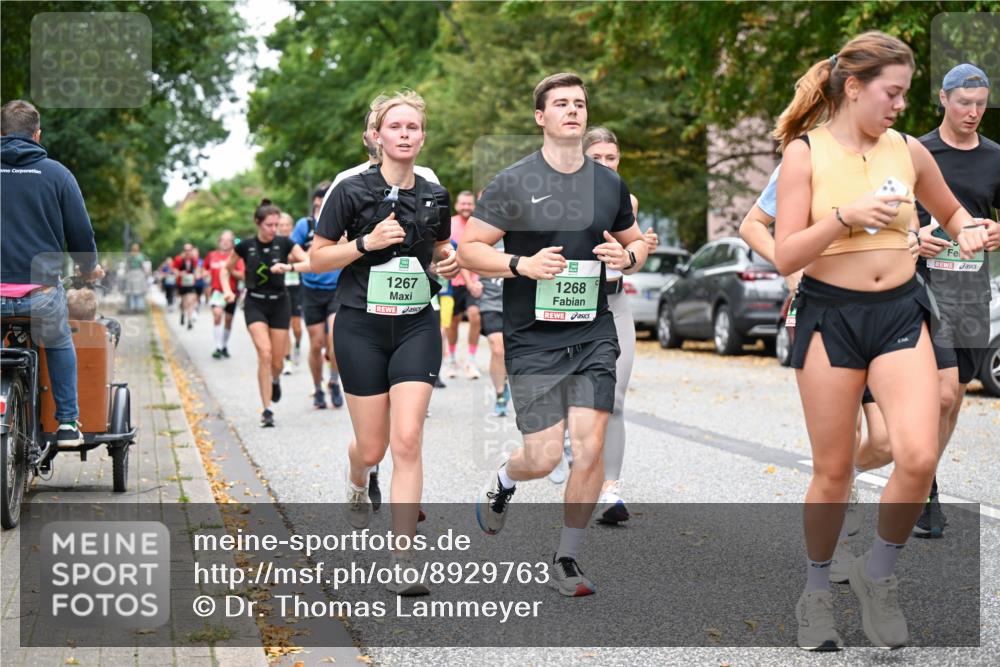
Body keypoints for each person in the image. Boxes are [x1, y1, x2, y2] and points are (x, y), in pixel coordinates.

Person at [772, 32, 988, 651]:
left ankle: (878, 576)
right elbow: (786, 251)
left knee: (917, 456)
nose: (898, 105)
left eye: (904, 95)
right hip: (830, 316)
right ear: (854, 86)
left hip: (899, 312)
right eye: (890, 93)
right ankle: (815, 596)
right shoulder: (804, 154)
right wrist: (844, 216)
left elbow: (951, 213)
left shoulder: (908, 151)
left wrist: (972, 232)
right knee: (834, 471)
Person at [458, 73, 647, 597]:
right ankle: (505, 480)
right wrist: (522, 263)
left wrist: (627, 256)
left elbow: (635, 246)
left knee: (589, 448)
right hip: (532, 337)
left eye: (580, 103)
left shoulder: (609, 185)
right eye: (561, 103)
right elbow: (473, 249)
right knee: (542, 457)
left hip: (592, 332)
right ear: (540, 117)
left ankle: (567, 557)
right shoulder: (512, 181)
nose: (573, 110)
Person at [309, 91, 459, 595]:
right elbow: (317, 258)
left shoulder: (436, 191)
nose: (404, 134)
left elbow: (439, 247)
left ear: (422, 135)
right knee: (373, 448)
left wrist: (448, 260)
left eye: (413, 127)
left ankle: (403, 560)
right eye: (395, 126)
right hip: (360, 326)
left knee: (408, 439)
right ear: (376, 135)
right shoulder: (349, 189)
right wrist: (364, 244)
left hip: (417, 322)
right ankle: (357, 476)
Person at [906, 64, 1000, 537]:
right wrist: (913, 235)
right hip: (923, 286)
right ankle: (926, 490)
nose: (973, 112)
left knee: (954, 399)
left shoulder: (995, 158)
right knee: (939, 392)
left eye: (981, 104)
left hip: (971, 290)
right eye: (964, 102)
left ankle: (924, 481)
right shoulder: (917, 151)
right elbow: (892, 216)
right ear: (943, 99)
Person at [0, 99, 103, 446]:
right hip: (40, 295)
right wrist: (88, 268)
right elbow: (81, 233)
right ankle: (68, 423)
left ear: (1, 133)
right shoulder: (58, 174)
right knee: (59, 342)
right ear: (37, 134)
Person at [582, 126, 659, 525]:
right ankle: (572, 451)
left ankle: (610, 489)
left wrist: (637, 249)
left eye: (611, 158)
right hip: (569, 307)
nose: (605, 165)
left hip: (613, 303)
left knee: (614, 398)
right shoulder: (558, 196)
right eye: (596, 158)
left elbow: (635, 249)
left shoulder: (625, 199)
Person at [221, 201, 311, 427]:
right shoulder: (246, 246)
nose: (274, 229)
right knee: (265, 352)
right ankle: (267, 409)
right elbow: (226, 269)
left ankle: (276, 378)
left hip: (280, 304)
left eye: (277, 224)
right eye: (270, 225)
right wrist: (228, 290)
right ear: (258, 223)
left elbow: (309, 262)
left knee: (277, 362)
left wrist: (288, 267)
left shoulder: (285, 243)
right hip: (255, 304)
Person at [291, 183, 345, 409]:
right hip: (311, 290)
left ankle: (333, 381)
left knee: (336, 341)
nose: (323, 206)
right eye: (319, 203)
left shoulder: (341, 222)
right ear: (315, 203)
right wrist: (309, 261)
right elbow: (292, 245)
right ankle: (317, 387)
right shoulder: (306, 225)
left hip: (336, 289)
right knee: (316, 344)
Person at [444, 191, 484, 379]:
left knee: (475, 316)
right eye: (463, 204)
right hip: (452, 281)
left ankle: (471, 360)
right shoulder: (449, 223)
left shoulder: (479, 224)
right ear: (457, 205)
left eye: (470, 204)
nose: (467, 207)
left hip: (475, 281)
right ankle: (451, 359)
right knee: (453, 322)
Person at [204, 230, 244, 359]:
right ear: (219, 241)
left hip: (232, 292)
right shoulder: (212, 255)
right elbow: (205, 268)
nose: (225, 242)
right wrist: (204, 273)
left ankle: (224, 345)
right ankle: (218, 347)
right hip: (217, 291)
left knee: (228, 321)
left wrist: (229, 270)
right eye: (223, 240)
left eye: (228, 240)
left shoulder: (236, 257)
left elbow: (243, 275)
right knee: (217, 314)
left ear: (232, 243)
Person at [277, 212, 305, 371]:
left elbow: (305, 258)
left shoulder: (297, 243)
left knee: (297, 327)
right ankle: (287, 360)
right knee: (286, 325)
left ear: (291, 227)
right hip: (282, 288)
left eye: (287, 225)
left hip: (297, 288)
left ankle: (298, 345)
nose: (284, 228)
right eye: (281, 225)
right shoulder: (276, 243)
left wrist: (289, 259)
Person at [173, 243, 200, 329]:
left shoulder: (194, 260)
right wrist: (180, 273)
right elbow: (174, 269)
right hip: (182, 283)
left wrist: (197, 275)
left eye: (189, 250)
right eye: (186, 250)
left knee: (190, 301)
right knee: (184, 301)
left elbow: (196, 269)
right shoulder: (178, 259)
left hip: (191, 283)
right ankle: (182, 313)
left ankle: (189, 321)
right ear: (184, 251)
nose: (188, 252)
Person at [124, 243, 149, 313]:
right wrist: (146, 273)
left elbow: (127, 266)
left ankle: (133, 307)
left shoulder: (129, 256)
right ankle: (139, 307)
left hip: (131, 274)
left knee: (131, 292)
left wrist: (126, 275)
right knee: (139, 292)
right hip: (139, 273)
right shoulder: (140, 256)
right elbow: (143, 266)